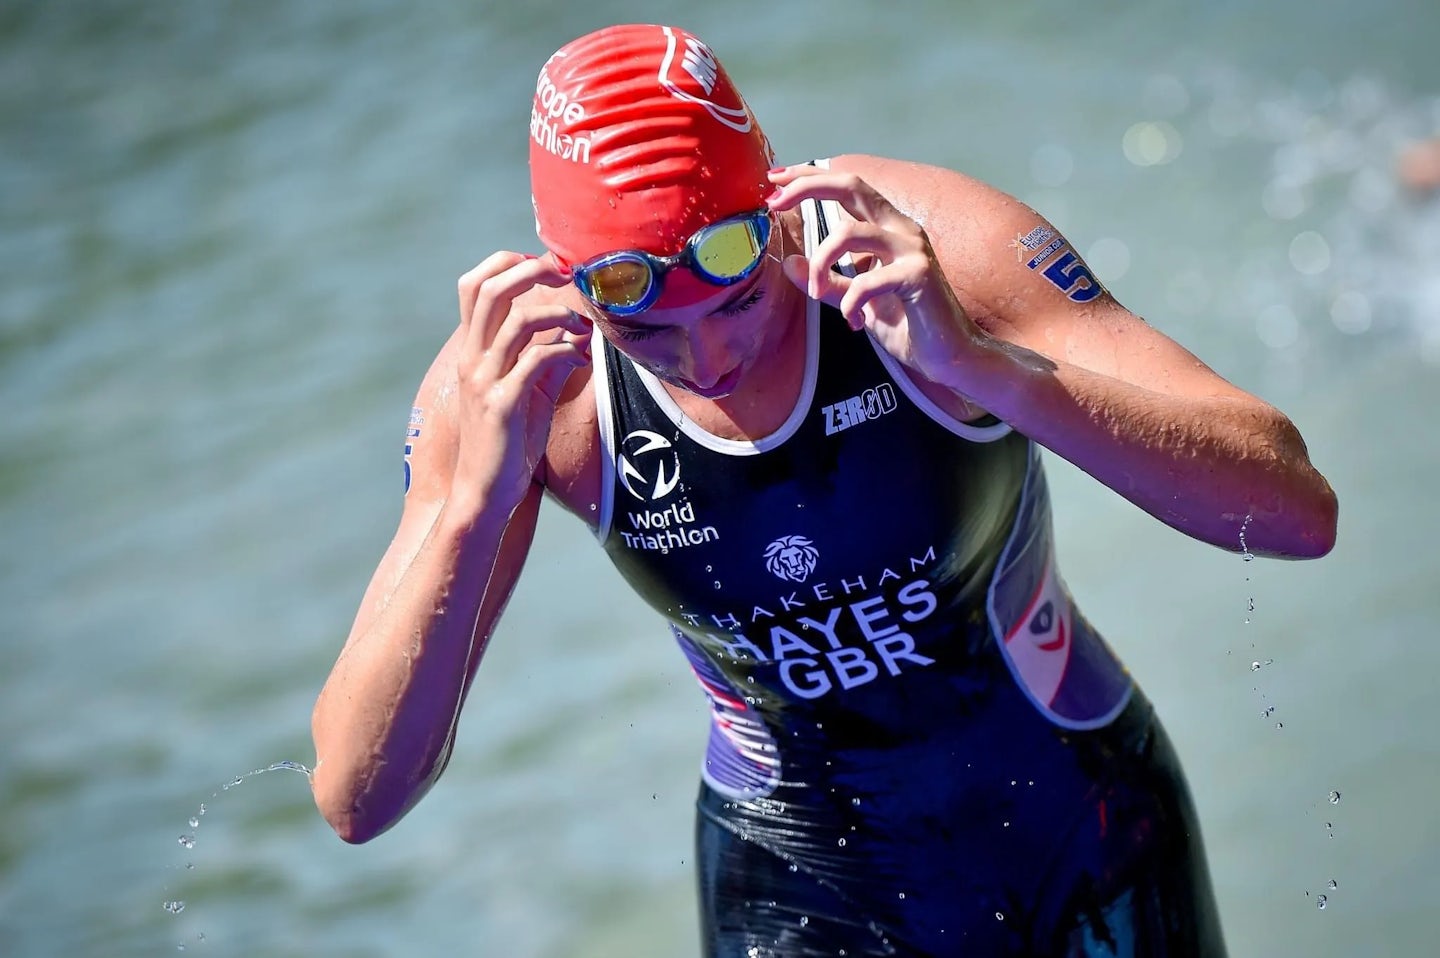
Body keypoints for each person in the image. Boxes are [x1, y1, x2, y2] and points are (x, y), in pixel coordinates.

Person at [309, 23, 1338, 958]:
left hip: (1081, 830)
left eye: (741, 298)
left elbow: (1297, 510)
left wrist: (982, 367)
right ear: (571, 279)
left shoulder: (927, 248)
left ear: (774, 210)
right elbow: (356, 796)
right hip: (791, 887)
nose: (708, 357)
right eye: (648, 330)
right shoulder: (531, 379)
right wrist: (473, 505)